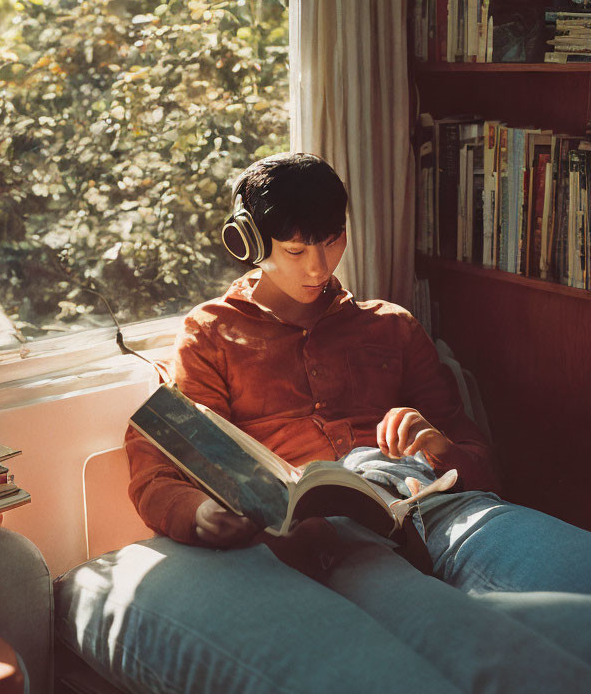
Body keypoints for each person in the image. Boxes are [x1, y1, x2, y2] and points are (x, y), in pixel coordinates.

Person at [107, 152, 591, 692]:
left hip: (443, 502)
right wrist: (197, 514)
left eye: (333, 241)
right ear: (249, 243)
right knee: (475, 652)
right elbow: (157, 464)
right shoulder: (211, 335)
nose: (319, 267)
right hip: (334, 534)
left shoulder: (391, 325)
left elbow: (481, 463)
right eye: (295, 250)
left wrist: (439, 446)